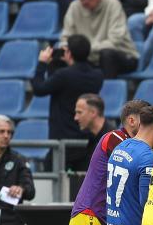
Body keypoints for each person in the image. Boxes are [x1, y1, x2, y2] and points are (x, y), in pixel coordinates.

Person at [31, 35, 105, 172]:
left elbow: (39, 88)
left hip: (62, 141)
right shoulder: (97, 76)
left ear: (69, 53)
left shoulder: (64, 76)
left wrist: (42, 64)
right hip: (85, 141)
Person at [63, 0, 140, 79]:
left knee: (107, 54)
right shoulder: (74, 7)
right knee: (58, 58)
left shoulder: (113, 4)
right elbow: (66, 37)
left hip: (123, 55)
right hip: (90, 57)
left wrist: (85, 49)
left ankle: (108, 93)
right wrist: (65, 50)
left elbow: (115, 41)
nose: (84, 2)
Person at [75, 94, 114, 159]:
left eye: (79, 112)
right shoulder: (86, 135)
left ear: (93, 112)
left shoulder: (112, 139)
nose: (75, 118)